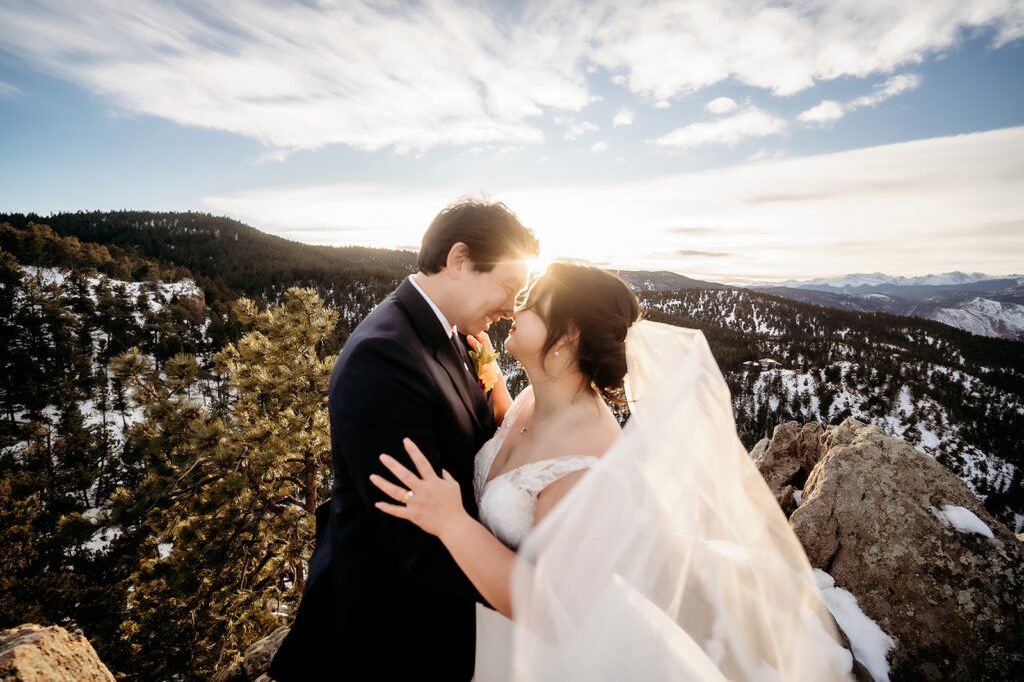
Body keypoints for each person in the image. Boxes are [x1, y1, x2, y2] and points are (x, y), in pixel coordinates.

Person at [370, 263, 856, 680]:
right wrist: (495, 385)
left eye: (535, 304)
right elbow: (515, 456)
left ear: (571, 334)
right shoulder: (532, 400)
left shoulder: (584, 464)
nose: (515, 310)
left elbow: (548, 610)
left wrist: (452, 523)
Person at [267, 198, 539, 681]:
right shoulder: (385, 356)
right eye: (508, 287)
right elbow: (412, 541)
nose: (510, 307)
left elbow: (473, 436)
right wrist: (530, 596)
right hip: (397, 623)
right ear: (458, 261)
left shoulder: (450, 331)